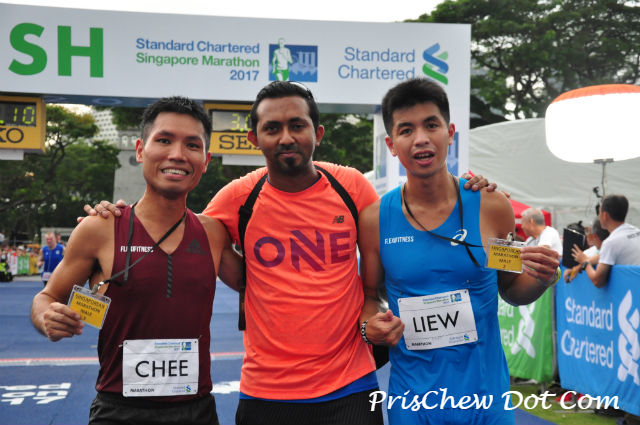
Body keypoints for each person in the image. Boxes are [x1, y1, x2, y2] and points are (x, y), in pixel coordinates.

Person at [87, 81, 495, 425]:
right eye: (273, 128)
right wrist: (115, 218)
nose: (286, 137)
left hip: (352, 386)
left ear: (318, 132)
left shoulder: (351, 187)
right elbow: (175, 233)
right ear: (254, 139)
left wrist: (469, 191)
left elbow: (407, 235)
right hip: (266, 393)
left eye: (297, 125)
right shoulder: (237, 198)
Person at [358, 78, 560, 425]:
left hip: (486, 400)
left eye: (431, 125)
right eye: (406, 130)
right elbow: (370, 298)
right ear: (391, 145)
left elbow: (511, 288)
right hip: (414, 402)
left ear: (450, 133)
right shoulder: (375, 219)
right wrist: (368, 328)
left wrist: (543, 277)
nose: (421, 138)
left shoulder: (492, 207)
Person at [31, 96, 241, 425]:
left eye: (192, 145)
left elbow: (263, 283)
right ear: (141, 150)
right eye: (164, 140)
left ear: (205, 160)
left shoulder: (213, 234)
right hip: (120, 412)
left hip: (197, 410)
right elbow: (46, 297)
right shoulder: (101, 228)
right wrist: (48, 317)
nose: (177, 154)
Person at [573, 194, 640, 288]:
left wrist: (585, 262)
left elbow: (597, 281)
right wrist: (582, 263)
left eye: (599, 212)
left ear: (605, 215)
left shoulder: (611, 242)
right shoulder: (636, 231)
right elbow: (603, 255)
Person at [564, 218, 609, 283]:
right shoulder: (595, 251)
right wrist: (579, 266)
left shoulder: (609, 249)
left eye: (589, 232)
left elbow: (597, 281)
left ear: (594, 236)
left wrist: (584, 262)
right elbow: (600, 256)